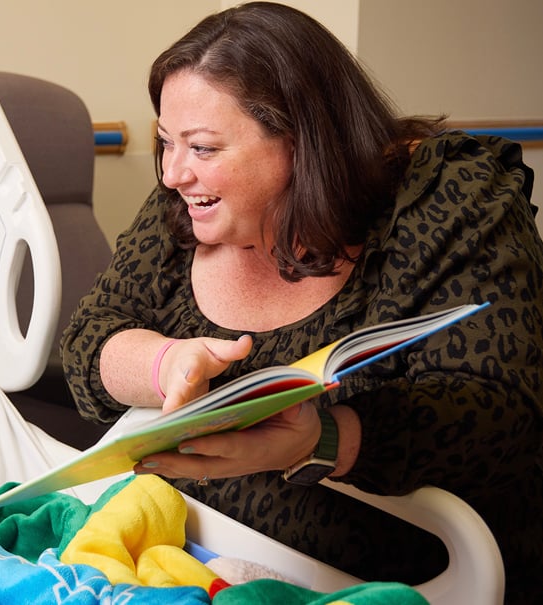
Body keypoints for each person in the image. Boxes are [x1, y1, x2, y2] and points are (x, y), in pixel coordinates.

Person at [60, 3, 542, 603]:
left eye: (203, 148)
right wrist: (166, 365)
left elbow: (502, 415)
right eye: (165, 142)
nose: (172, 173)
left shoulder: (451, 199)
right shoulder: (189, 207)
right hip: (191, 553)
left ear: (302, 141)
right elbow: (89, 342)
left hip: (396, 581)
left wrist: (325, 439)